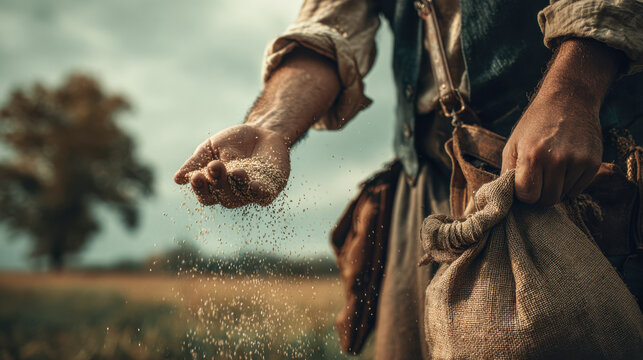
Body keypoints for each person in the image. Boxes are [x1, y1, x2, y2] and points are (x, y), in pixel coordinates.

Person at [174, 0, 643, 358]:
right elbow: (330, 25)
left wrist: (575, 90)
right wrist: (271, 126)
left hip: (556, 177)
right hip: (427, 184)